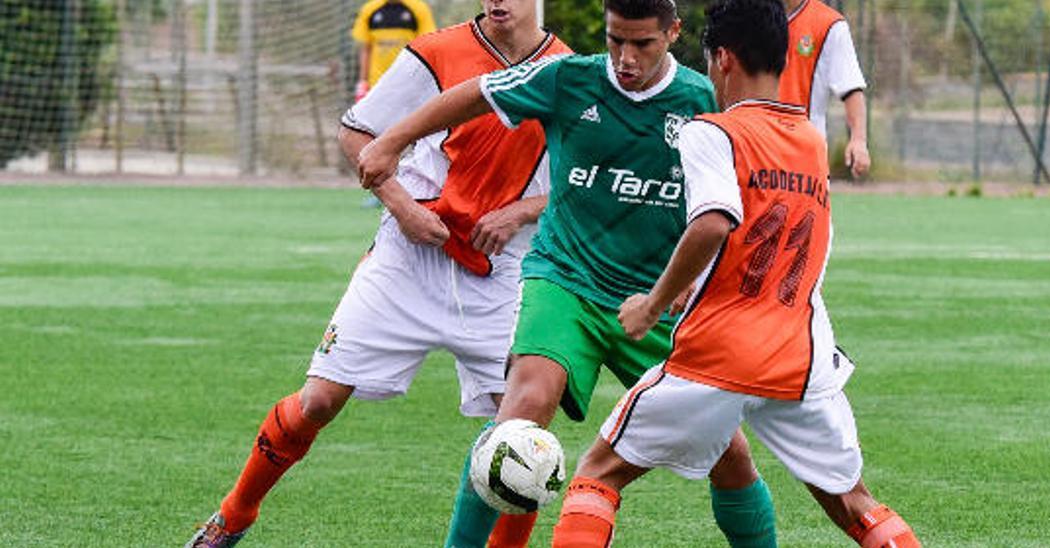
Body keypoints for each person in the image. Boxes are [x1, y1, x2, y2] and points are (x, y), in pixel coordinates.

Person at [357, 0, 780, 546]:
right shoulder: (568, 78)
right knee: (520, 416)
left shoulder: (705, 102)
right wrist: (389, 141)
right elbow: (478, 93)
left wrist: (698, 282)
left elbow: (736, 207)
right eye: (614, 41)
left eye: (642, 44)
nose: (625, 58)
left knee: (731, 455)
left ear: (673, 33)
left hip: (655, 298)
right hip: (565, 280)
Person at [184, 0, 570, 546]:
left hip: (500, 273)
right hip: (405, 263)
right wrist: (403, 207)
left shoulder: (569, 73)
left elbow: (581, 183)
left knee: (521, 439)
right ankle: (235, 513)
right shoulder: (436, 53)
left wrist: (521, 211)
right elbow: (357, 133)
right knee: (317, 402)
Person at [549, 0, 920, 546]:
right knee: (854, 503)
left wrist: (653, 303)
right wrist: (697, 284)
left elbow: (713, 224)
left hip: (720, 355)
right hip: (801, 358)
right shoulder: (811, 141)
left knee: (597, 474)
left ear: (721, 58)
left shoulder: (711, 132)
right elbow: (778, 234)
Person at [779, 0, 870, 179]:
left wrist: (858, 140)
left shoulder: (830, 24)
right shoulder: (750, 15)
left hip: (806, 159)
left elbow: (850, 87)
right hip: (758, 150)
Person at [351, 0, 437, 101]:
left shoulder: (419, 8)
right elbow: (366, 48)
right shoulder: (369, 9)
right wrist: (363, 82)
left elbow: (426, 45)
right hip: (377, 84)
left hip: (409, 83)